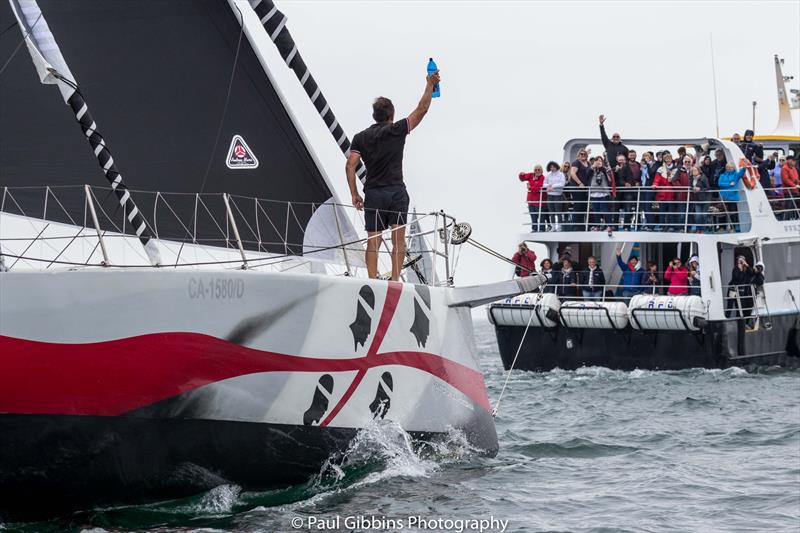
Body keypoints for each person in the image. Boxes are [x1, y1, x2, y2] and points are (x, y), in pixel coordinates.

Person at [346, 70, 441, 280]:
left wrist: (354, 194)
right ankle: (395, 281)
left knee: (374, 241)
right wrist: (429, 85)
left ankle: (372, 281)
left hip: (373, 194)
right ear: (392, 115)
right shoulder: (396, 130)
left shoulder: (360, 138)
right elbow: (422, 109)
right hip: (396, 192)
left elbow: (350, 166)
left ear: (374, 116)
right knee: (399, 241)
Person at [717, 162, 747, 232]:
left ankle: (732, 228)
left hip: (733, 197)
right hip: (724, 197)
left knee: (733, 213)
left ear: (733, 168)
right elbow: (719, 184)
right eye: (727, 167)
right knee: (722, 213)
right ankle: (722, 227)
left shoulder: (736, 175)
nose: (729, 169)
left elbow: (741, 173)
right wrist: (729, 184)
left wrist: (744, 168)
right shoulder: (722, 175)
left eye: (730, 167)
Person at [519, 165, 548, 231]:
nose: (537, 171)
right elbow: (522, 178)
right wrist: (521, 174)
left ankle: (542, 229)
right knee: (533, 216)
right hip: (531, 201)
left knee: (541, 217)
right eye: (535, 170)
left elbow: (538, 188)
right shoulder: (531, 175)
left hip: (540, 201)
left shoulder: (543, 178)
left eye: (539, 170)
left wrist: (530, 187)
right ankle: (534, 229)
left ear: (541, 171)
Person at [587, 156, 612, 231]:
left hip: (604, 193)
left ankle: (609, 225)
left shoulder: (605, 169)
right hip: (594, 193)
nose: (598, 162)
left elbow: (610, 178)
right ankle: (597, 225)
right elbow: (587, 175)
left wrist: (602, 168)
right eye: (597, 161)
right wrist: (593, 167)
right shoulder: (591, 169)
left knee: (605, 209)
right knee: (596, 210)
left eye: (600, 160)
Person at [726, 255, 754, 319]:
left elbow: (752, 273)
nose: (740, 262)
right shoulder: (735, 268)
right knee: (730, 305)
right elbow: (737, 277)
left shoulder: (746, 269)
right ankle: (727, 318)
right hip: (733, 290)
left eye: (742, 260)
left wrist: (747, 265)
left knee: (739, 306)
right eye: (739, 260)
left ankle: (738, 320)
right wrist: (740, 269)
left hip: (740, 291)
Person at [570, 148, 591, 229]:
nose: (583, 155)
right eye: (581, 154)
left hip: (585, 189)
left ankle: (582, 225)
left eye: (584, 154)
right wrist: (580, 183)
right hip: (577, 188)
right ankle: (575, 226)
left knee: (584, 206)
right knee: (578, 206)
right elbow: (572, 173)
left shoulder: (588, 163)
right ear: (578, 155)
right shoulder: (576, 162)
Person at [543, 161, 566, 231]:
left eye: (553, 166)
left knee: (558, 212)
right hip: (550, 196)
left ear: (556, 166)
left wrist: (553, 186)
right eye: (551, 167)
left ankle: (559, 227)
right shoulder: (548, 175)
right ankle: (553, 227)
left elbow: (562, 183)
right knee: (551, 212)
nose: (552, 168)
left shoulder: (561, 174)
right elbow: (544, 184)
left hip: (558, 195)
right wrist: (548, 186)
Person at [688, 167, 710, 232]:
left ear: (699, 171)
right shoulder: (691, 179)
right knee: (698, 216)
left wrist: (700, 189)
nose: (694, 171)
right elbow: (690, 187)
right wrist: (693, 189)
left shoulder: (703, 178)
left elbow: (708, 188)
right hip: (697, 199)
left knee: (704, 215)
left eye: (695, 170)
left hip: (705, 199)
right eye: (692, 170)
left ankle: (703, 229)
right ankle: (698, 229)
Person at [640, 151, 657, 230]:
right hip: (642, 188)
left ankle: (651, 225)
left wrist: (647, 164)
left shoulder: (653, 165)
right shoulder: (641, 166)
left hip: (649, 188)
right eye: (644, 157)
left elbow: (651, 173)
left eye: (647, 157)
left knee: (648, 206)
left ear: (650, 158)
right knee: (644, 207)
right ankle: (647, 224)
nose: (645, 158)